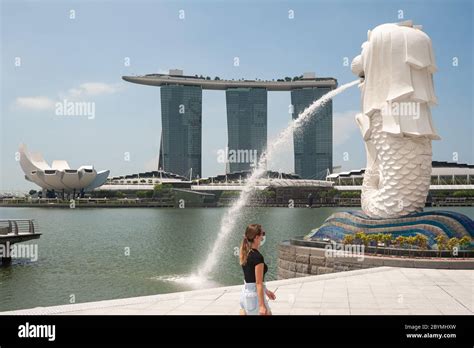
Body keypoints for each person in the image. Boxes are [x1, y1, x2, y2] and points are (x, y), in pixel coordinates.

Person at [239, 224, 276, 315]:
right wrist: (262, 305)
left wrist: (266, 291)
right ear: (256, 237)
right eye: (262, 234)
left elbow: (250, 278)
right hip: (254, 297)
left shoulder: (245, 252)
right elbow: (258, 283)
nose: (263, 236)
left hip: (246, 293)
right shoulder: (257, 257)